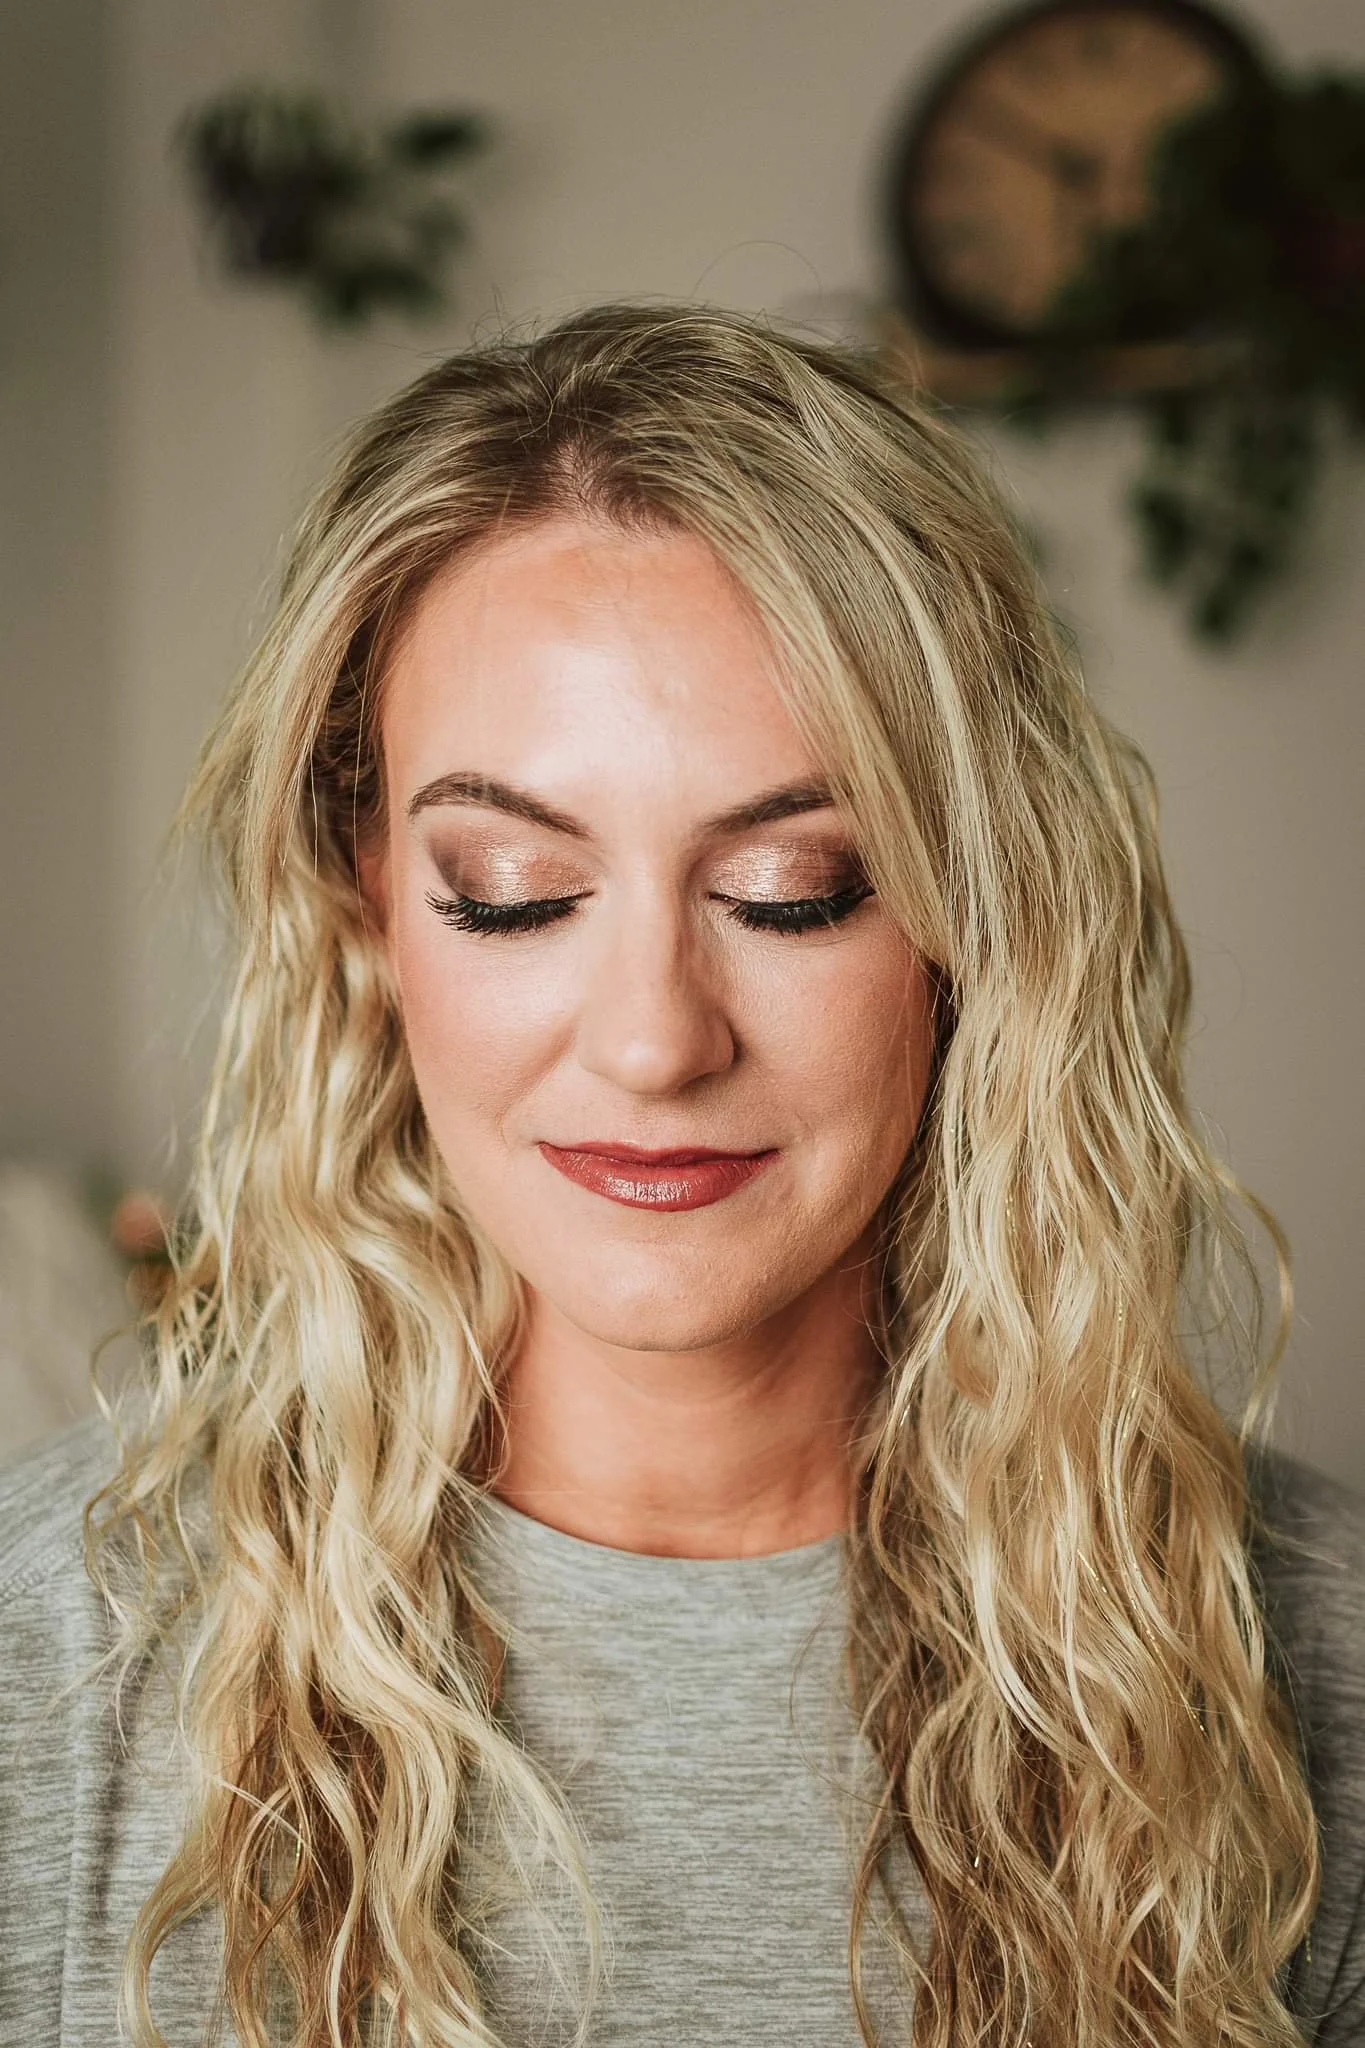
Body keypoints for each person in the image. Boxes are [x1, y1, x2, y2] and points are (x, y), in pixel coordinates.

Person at [1, 302, 1362, 2048]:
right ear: (371, 900)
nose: (654, 1041)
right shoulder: (50, 1661)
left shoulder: (1307, 1667)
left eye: (793, 891)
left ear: (973, 916)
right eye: (512, 890)